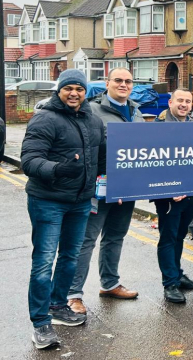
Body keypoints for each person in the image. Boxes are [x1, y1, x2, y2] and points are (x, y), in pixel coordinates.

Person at [22, 69, 106, 349]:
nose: (74, 93)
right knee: (44, 262)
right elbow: (30, 161)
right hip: (48, 200)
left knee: (70, 257)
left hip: (80, 201)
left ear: (86, 92)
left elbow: (102, 157)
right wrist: (58, 169)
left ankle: (58, 306)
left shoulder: (92, 119)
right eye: (68, 88)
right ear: (59, 90)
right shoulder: (45, 118)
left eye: (79, 89)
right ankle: (40, 322)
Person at [68, 69, 143, 314]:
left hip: (128, 187)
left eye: (128, 81)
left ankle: (109, 283)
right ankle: (73, 294)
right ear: (107, 83)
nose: (123, 84)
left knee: (115, 237)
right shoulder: (91, 109)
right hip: (99, 187)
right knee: (86, 241)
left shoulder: (135, 110)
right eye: (118, 80)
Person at [151, 89, 193, 304]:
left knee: (180, 236)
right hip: (168, 197)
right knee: (168, 238)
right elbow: (152, 161)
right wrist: (169, 189)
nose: (184, 104)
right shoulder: (158, 127)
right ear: (170, 102)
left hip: (189, 194)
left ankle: (177, 274)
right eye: (180, 100)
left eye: (188, 101)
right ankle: (169, 283)